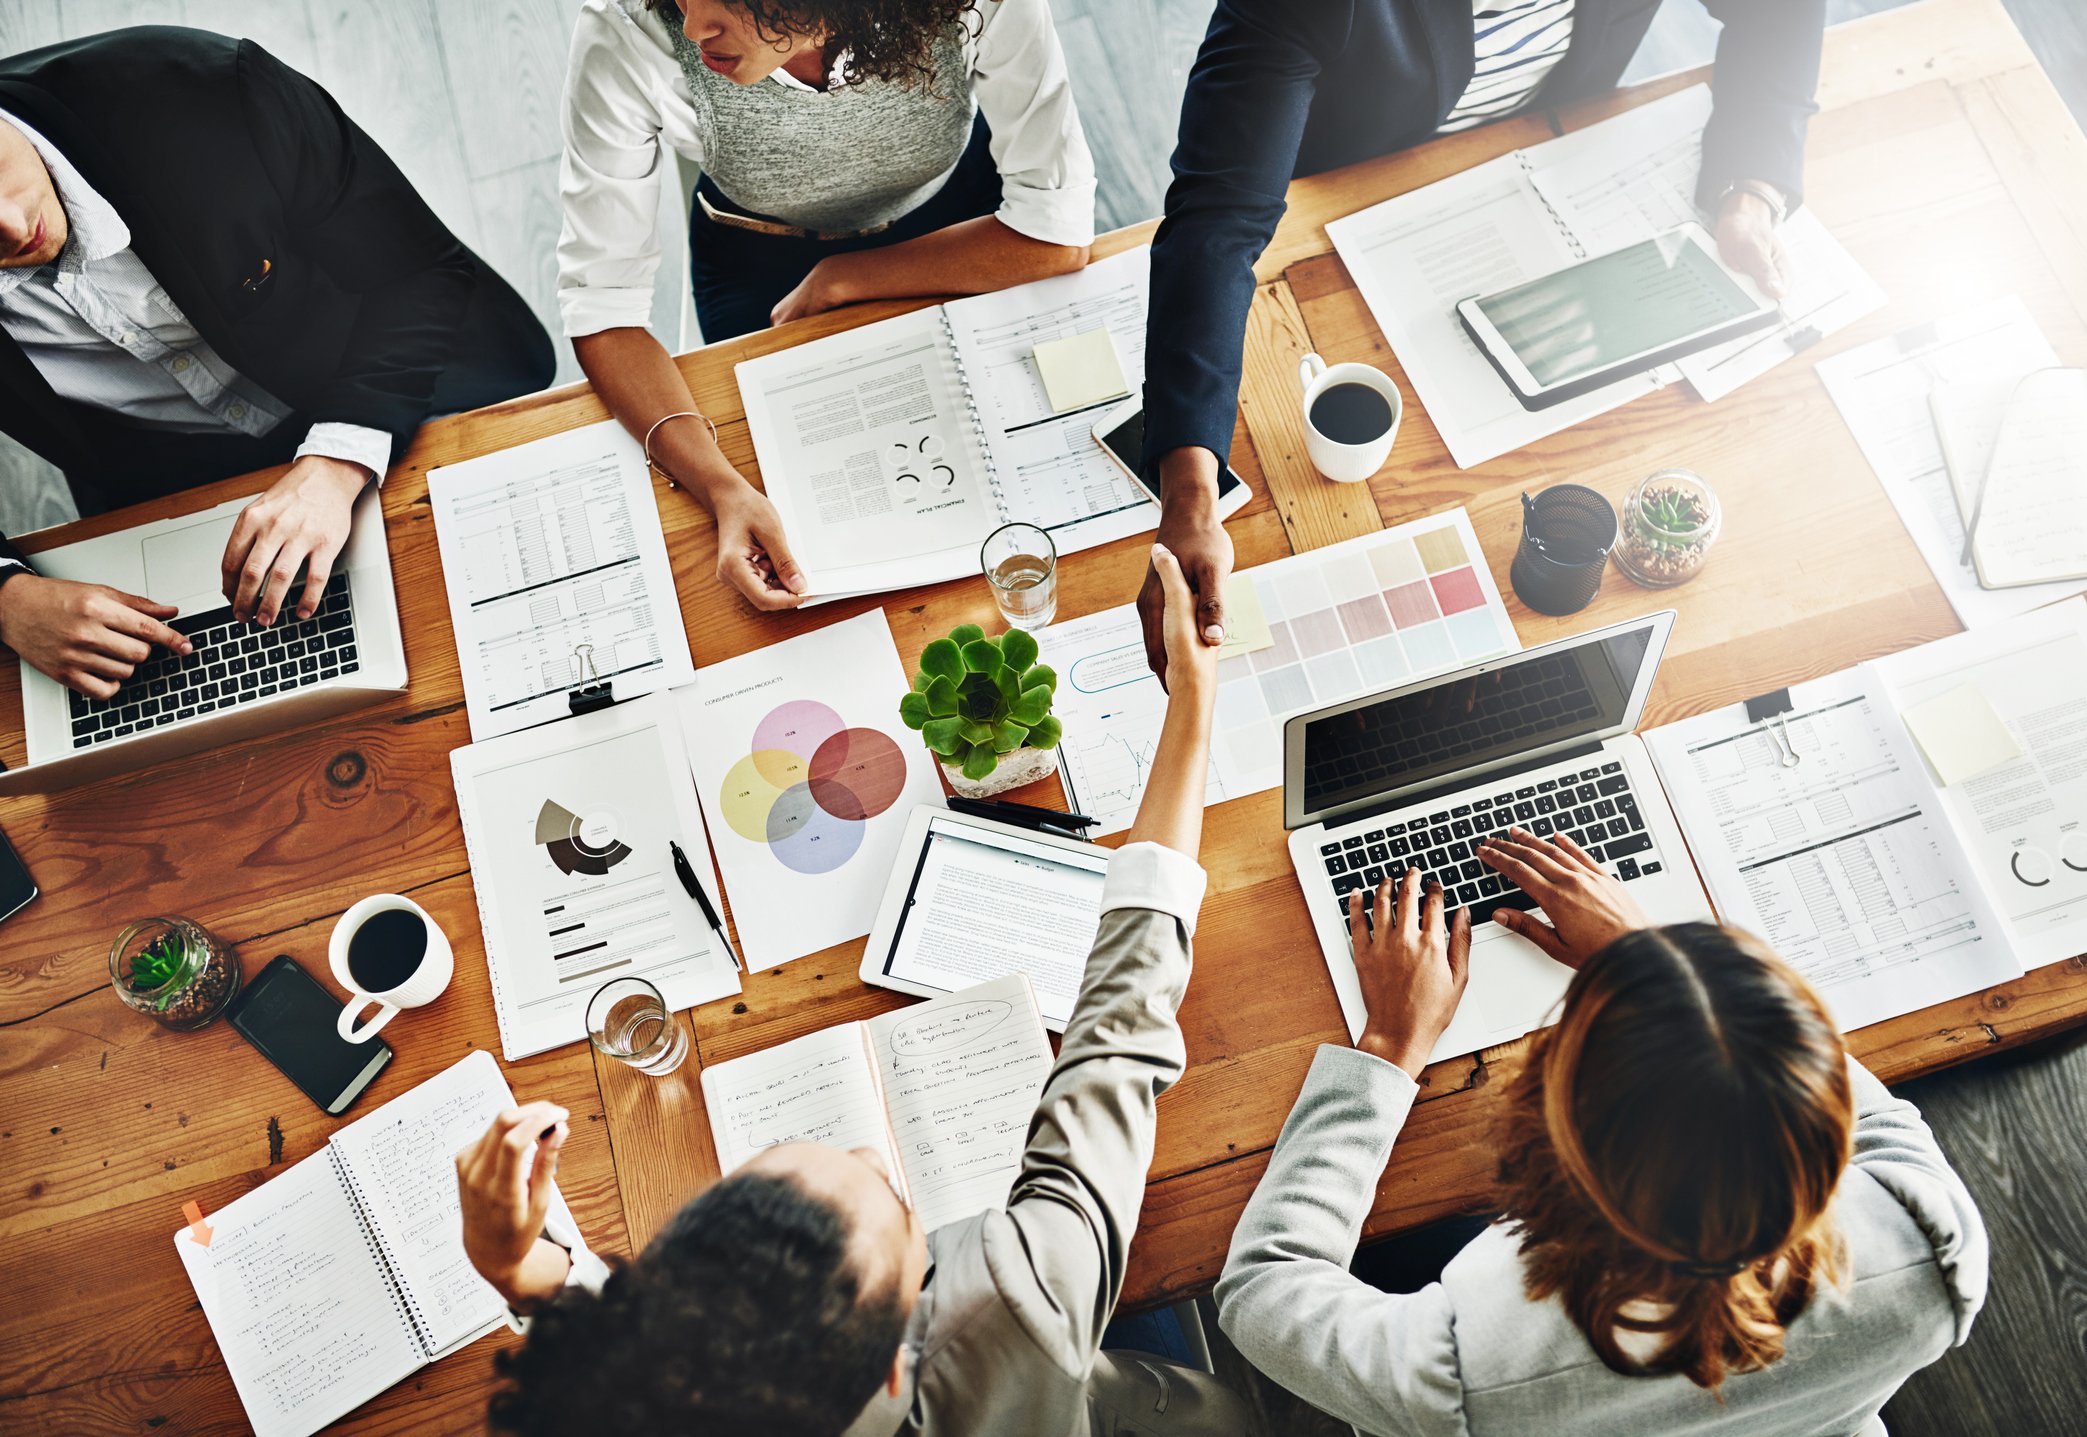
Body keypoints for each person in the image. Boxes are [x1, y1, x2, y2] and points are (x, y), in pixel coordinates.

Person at [454, 544, 1251, 1436]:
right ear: (890, 1373)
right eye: (898, 1208)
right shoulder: (1012, 1312)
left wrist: (524, 1273)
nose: (876, 1158)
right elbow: (1116, 1031)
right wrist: (1193, 695)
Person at [1133, 0, 1828, 682]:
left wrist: (1752, 188)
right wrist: (1190, 497)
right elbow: (1216, 223)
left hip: (1553, 171)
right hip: (1352, 210)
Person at [1216, 827, 1988, 1435]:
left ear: (1558, 1141)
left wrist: (1388, 1046)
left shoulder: (1466, 1374)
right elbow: (1842, 1098)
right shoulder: (1934, 1244)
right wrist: (1649, 961)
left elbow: (1265, 1283)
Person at [0, 27, 554, 700]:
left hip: (388, 385)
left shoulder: (212, 92)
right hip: (167, 488)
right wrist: (8, 598)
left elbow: (417, 273)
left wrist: (337, 456)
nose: (6, 225)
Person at [556, 0, 1096, 614]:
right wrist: (720, 489)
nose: (693, 27)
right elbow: (602, 308)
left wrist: (847, 276)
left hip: (964, 226)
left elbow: (1055, 236)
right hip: (758, 252)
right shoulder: (625, 29)